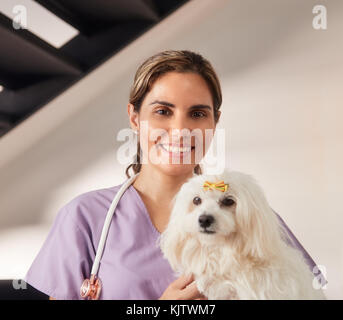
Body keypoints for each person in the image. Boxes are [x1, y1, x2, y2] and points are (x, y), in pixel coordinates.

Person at [24, 50, 322, 300]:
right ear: (134, 118)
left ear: (214, 123)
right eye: (163, 111)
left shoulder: (252, 214)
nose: (180, 131)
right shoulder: (85, 219)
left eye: (197, 114)